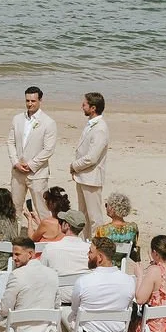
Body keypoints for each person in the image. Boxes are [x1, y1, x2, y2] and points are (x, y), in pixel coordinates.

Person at [0, 238, 60, 332]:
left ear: (30, 254)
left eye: (17, 254)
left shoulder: (17, 275)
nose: (14, 258)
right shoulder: (53, 274)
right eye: (13, 254)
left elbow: (4, 310)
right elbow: (57, 305)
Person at [65, 237, 134, 332]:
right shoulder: (129, 281)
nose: (88, 255)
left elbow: (75, 308)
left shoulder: (83, 281)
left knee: (64, 313)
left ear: (100, 257)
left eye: (90, 252)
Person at [6, 87, 58, 221]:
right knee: (15, 208)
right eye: (27, 101)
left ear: (40, 100)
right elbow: (11, 142)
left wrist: (30, 165)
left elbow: (48, 149)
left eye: (33, 101)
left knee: (42, 209)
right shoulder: (17, 119)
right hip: (18, 172)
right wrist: (15, 162)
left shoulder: (48, 122)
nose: (30, 104)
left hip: (37, 173)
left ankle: (45, 237)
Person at [69, 91, 110, 236]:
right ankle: (85, 242)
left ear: (93, 108)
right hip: (83, 176)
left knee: (95, 217)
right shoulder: (92, 124)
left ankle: (97, 245)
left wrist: (74, 166)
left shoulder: (100, 128)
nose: (82, 106)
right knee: (83, 215)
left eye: (84, 104)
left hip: (91, 178)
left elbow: (92, 157)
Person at [39, 208, 91, 277]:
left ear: (67, 225)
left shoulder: (50, 248)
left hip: (59, 287)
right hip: (83, 286)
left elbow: (41, 274)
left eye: (62, 221)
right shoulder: (89, 249)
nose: (60, 224)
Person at [94, 192, 141, 263]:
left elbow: (96, 249)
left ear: (112, 209)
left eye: (107, 205)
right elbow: (133, 246)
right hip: (123, 262)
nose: (106, 208)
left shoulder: (102, 230)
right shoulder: (133, 228)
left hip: (106, 264)